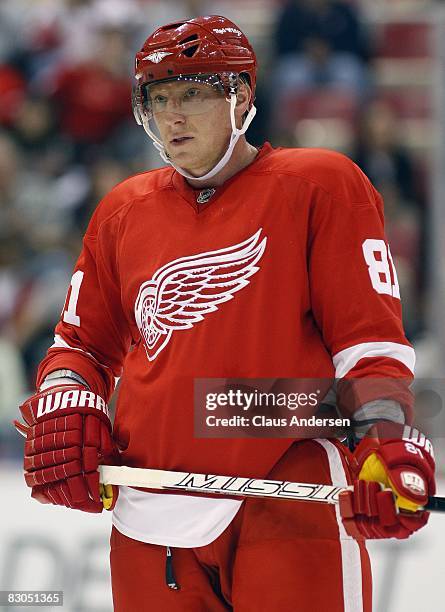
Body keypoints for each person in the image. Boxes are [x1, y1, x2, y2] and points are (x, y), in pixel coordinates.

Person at [15, 16, 435, 612]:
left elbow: (368, 342)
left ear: (241, 96)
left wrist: (382, 432)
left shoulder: (320, 184)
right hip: (146, 505)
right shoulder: (123, 210)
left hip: (287, 490)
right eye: (159, 98)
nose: (173, 116)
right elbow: (80, 346)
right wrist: (67, 404)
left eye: (192, 93)